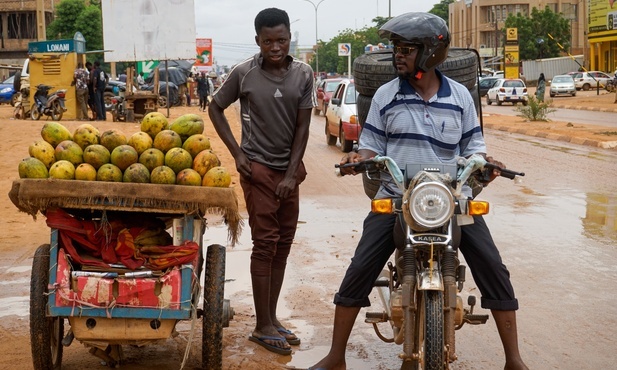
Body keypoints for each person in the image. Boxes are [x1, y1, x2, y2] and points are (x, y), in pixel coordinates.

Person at [310, 12, 528, 370]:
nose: (398, 55)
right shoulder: (385, 95)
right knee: (360, 266)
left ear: (431, 52)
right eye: (396, 47)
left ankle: (514, 359)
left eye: (407, 48)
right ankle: (336, 356)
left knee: (493, 266)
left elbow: (473, 146)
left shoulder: (459, 97)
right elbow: (371, 145)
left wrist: (484, 164)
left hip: (451, 199)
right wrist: (359, 159)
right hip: (397, 198)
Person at [208, 7, 315, 356]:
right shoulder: (243, 74)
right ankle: (262, 325)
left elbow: (303, 128)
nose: (275, 47)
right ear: (258, 41)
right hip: (258, 172)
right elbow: (215, 107)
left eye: (281, 40)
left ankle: (272, 319)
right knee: (266, 244)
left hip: (289, 173)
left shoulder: (304, 74)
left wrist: (290, 174)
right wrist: (239, 155)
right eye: (268, 41)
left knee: (283, 244)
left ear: (289, 39)